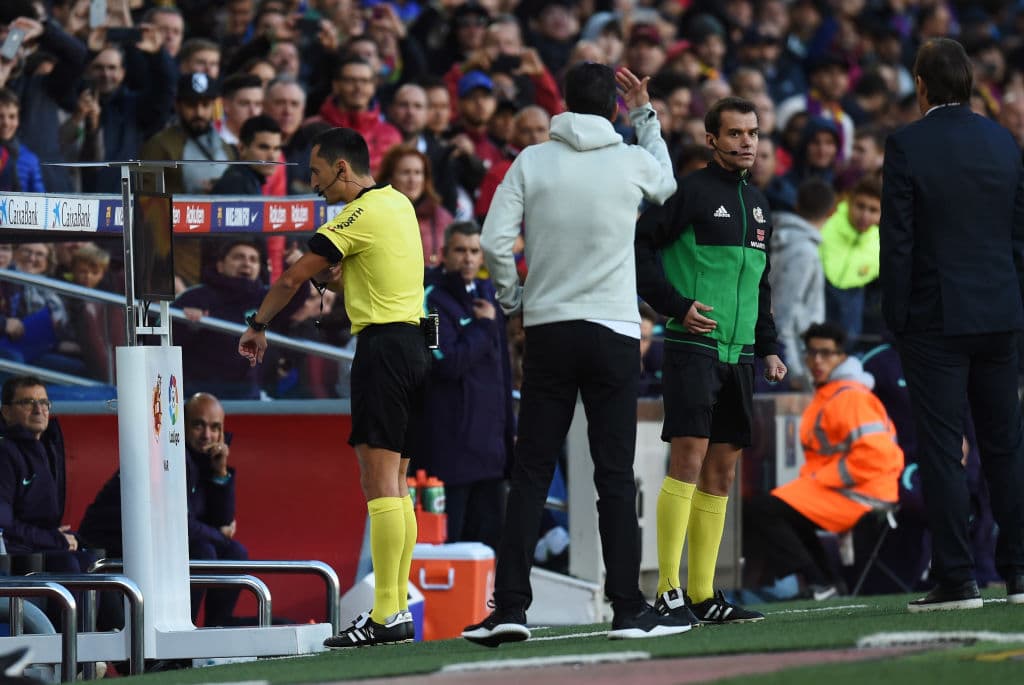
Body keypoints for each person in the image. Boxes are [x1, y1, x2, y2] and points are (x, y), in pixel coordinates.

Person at [463, 63, 689, 646]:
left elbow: (493, 241)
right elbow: (667, 183)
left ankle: (510, 607)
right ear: (613, 108)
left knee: (532, 470)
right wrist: (645, 114)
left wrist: (513, 299)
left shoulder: (532, 160)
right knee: (614, 474)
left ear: (562, 104)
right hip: (614, 330)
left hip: (550, 329)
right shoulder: (631, 159)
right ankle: (628, 608)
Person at [237, 127, 429, 647]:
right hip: (415, 348)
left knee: (379, 481)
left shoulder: (357, 214)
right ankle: (396, 610)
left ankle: (386, 614)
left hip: (383, 352)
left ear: (342, 169)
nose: (315, 185)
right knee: (398, 483)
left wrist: (257, 324)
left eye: (318, 174)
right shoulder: (400, 203)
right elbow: (365, 278)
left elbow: (291, 277)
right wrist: (337, 280)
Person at [879, 37, 1024, 611]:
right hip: (1000, 314)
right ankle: (1019, 573)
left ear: (921, 85)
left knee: (942, 449)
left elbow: (898, 241)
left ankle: (957, 579)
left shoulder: (907, 144)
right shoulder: (1003, 141)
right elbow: (1018, 238)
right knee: (1005, 446)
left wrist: (896, 317)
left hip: (935, 318)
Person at [635, 96, 786, 625]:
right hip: (693, 349)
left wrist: (768, 346)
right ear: (712, 139)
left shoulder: (761, 204)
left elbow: (760, 284)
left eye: (753, 133)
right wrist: (676, 307)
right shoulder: (688, 192)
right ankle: (667, 590)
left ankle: (703, 594)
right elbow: (639, 247)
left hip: (740, 354)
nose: (747, 142)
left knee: (721, 473)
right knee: (688, 461)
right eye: (736, 133)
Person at [743, 322, 903, 599]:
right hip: (849, 488)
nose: (817, 360)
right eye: (812, 353)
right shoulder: (831, 394)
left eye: (826, 353)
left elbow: (878, 456)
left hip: (863, 493)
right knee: (781, 511)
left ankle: (819, 581)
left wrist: (819, 480)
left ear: (842, 357)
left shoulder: (850, 397)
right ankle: (827, 584)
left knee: (762, 509)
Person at [78, 393, 248, 627]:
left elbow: (222, 520)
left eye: (215, 427)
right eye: (198, 425)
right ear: (182, 426)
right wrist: (221, 536)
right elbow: (178, 525)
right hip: (114, 548)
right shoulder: (168, 456)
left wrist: (220, 473)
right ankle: (181, 630)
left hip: (156, 545)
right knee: (202, 551)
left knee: (235, 552)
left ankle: (216, 627)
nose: (207, 435)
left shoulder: (205, 459)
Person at [418, 221, 512, 550]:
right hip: (450, 455)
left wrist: (509, 437)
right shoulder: (428, 301)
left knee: (486, 553)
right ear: (444, 253)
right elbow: (443, 361)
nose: (468, 258)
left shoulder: (489, 297)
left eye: (474, 251)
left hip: (490, 454)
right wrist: (482, 329)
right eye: (460, 250)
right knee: (450, 549)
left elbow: (503, 375)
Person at [769, 178, 835, 389]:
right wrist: (796, 371)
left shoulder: (779, 237)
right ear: (831, 212)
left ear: (797, 205)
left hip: (781, 351)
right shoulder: (803, 252)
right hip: (788, 358)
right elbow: (784, 314)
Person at [821, 175, 882, 347]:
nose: (865, 215)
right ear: (849, 202)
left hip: (853, 317)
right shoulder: (826, 224)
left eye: (873, 210)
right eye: (860, 206)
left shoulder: (883, 243)